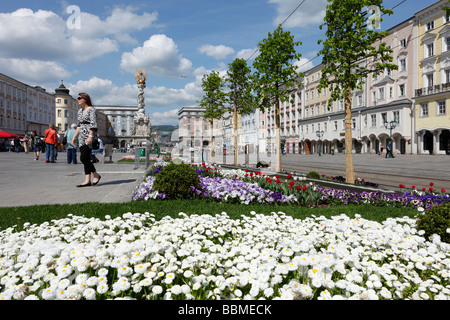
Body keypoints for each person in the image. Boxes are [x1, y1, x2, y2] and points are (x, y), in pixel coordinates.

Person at [72, 93, 101, 187]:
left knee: (83, 158)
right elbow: (79, 125)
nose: (78, 99)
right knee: (85, 158)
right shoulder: (80, 111)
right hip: (81, 137)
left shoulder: (91, 110)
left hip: (89, 136)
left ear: (85, 99)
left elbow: (93, 124)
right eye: (77, 98)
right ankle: (87, 180)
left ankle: (96, 175)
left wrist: (90, 136)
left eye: (80, 98)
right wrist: (74, 137)